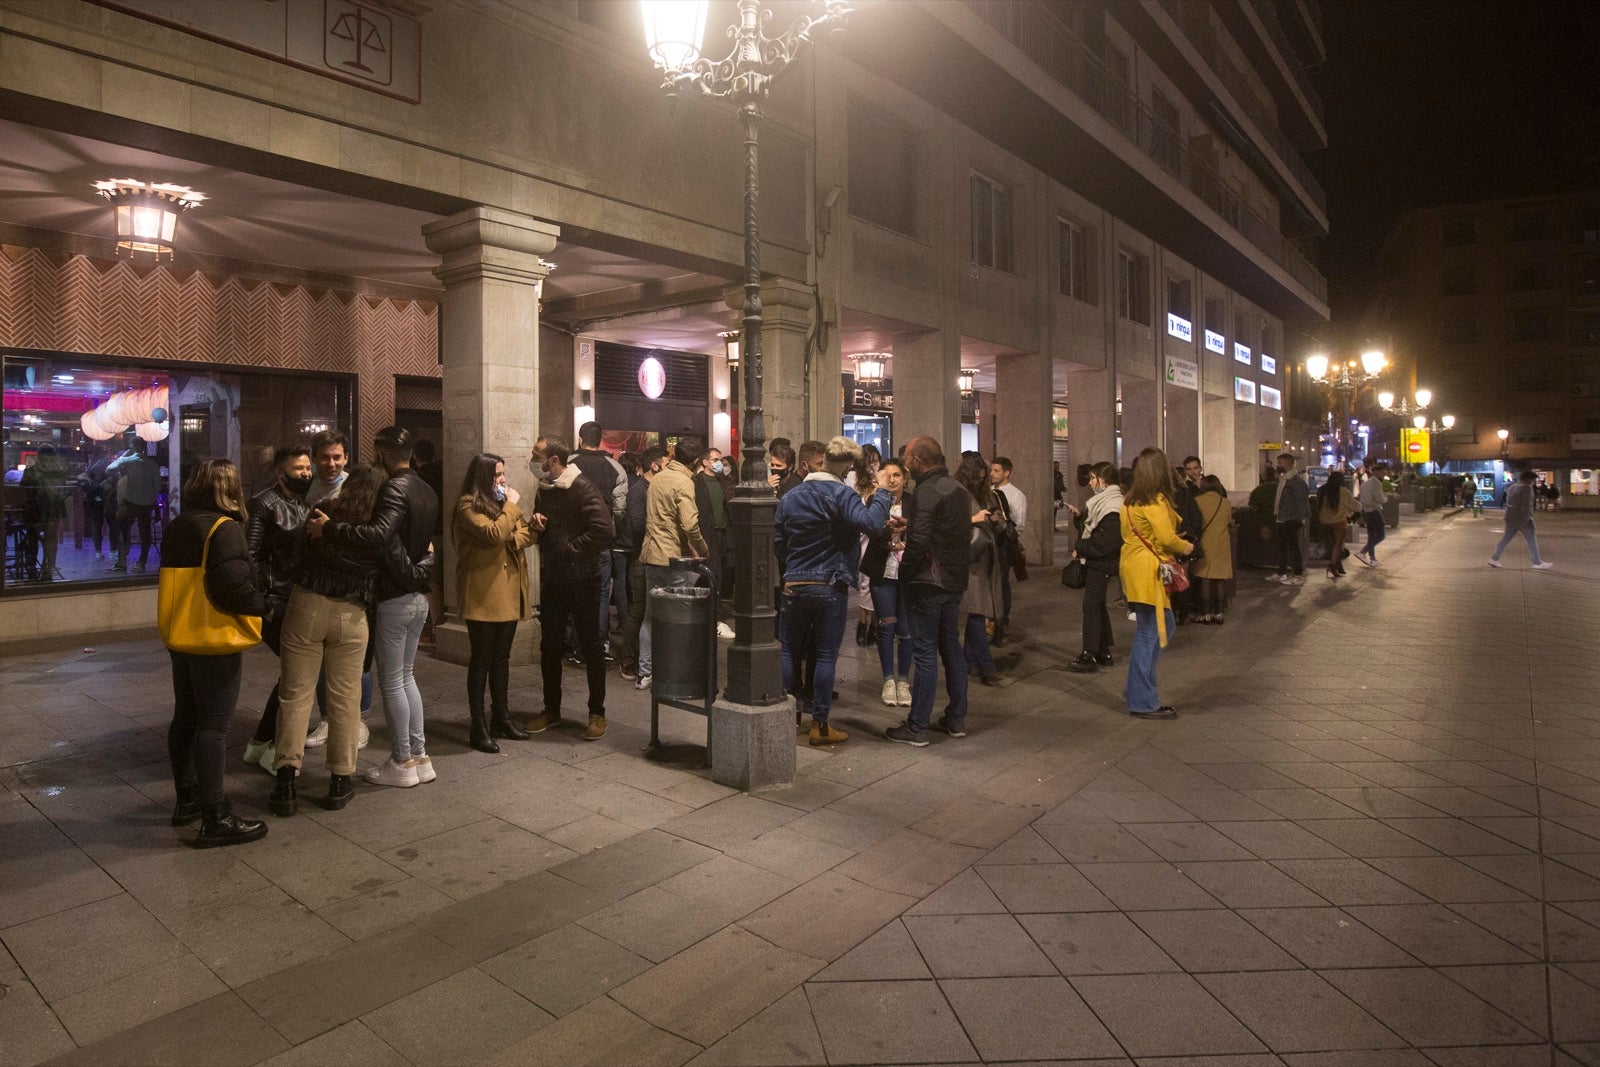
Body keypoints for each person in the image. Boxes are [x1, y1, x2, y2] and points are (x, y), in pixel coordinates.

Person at [312, 427, 440, 788]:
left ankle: (402, 761)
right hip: (417, 596)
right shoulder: (426, 488)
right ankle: (420, 757)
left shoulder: (394, 488)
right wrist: (420, 572)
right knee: (406, 676)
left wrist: (331, 528)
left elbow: (380, 537)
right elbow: (422, 544)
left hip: (396, 596)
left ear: (381, 451)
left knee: (393, 681)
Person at [159, 459, 269, 847]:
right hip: (213, 639)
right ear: (230, 489)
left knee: (185, 716)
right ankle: (216, 816)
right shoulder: (226, 529)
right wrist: (268, 606)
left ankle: (186, 799)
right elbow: (231, 589)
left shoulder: (178, 525)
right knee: (214, 726)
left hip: (180, 634)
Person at [269, 464, 386, 817]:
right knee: (346, 698)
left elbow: (296, 555)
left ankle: (286, 780)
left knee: (295, 694)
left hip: (307, 604)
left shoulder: (323, 511)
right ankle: (339, 780)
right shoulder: (376, 529)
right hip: (351, 615)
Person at [774, 436, 893, 745]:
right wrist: (882, 493)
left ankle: (786, 718)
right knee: (826, 656)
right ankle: (820, 727)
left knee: (788, 650)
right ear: (846, 467)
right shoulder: (843, 495)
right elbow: (873, 524)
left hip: (794, 583)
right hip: (829, 585)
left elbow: (778, 540)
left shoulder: (792, 496)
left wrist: (792, 567)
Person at [527, 434, 615, 740]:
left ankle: (597, 712)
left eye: (537, 455)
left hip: (583, 580)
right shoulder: (545, 489)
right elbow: (552, 526)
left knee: (590, 647)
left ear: (553, 460)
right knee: (549, 646)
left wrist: (570, 549)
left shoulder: (582, 488)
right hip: (554, 579)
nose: (533, 460)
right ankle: (551, 709)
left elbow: (604, 530)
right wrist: (538, 523)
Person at [887, 436, 971, 746]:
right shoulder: (957, 488)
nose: (905, 462)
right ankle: (956, 718)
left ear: (920, 460)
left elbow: (920, 541)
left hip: (928, 582)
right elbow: (945, 530)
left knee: (924, 653)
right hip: (953, 580)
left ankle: (917, 725)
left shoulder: (925, 490)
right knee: (951, 647)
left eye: (907, 457)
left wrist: (905, 571)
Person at [454, 453, 537, 752]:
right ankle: (478, 726)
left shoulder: (502, 505)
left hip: (508, 590)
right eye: (496, 475)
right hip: (483, 594)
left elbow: (524, 532)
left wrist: (516, 530)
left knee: (502, 658)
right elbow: (492, 534)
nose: (502, 479)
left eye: (503, 473)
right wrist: (512, 510)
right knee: (482, 659)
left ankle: (501, 717)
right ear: (482, 477)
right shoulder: (467, 505)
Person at [242, 446, 314, 774]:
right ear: (280, 472)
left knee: (293, 674)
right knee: (297, 676)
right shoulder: (263, 504)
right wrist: (265, 601)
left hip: (298, 598)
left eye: (306, 467)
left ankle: (261, 742)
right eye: (298, 468)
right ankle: (275, 749)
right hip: (277, 602)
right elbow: (252, 556)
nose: (306, 473)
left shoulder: (304, 502)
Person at [1120, 447, 1192, 720]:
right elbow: (1166, 538)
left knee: (1152, 630)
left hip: (1133, 567)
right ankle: (1142, 699)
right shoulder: (1154, 501)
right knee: (1152, 633)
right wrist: (1185, 546)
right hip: (1148, 570)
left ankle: (1140, 690)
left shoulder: (1129, 501)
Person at [637, 440, 709, 691]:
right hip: (672, 557)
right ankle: (675, 670)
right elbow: (689, 524)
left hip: (651, 553)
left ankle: (644, 673)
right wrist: (701, 547)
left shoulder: (657, 478)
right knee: (680, 616)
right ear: (696, 461)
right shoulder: (684, 482)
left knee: (649, 616)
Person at [570, 422, 627, 661]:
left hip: (573, 539)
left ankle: (578, 646)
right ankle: (600, 644)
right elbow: (620, 509)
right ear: (601, 440)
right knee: (602, 593)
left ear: (581, 439)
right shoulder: (615, 468)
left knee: (575, 591)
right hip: (601, 541)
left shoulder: (567, 464)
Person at [861, 458, 912, 706]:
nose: (892, 480)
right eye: (888, 475)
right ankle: (888, 680)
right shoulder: (876, 500)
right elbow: (870, 529)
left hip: (908, 574)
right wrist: (887, 534)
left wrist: (907, 539)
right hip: (882, 572)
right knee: (886, 625)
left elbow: (924, 531)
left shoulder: (914, 503)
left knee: (905, 630)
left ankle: (903, 681)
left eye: (897, 475)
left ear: (905, 478)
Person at [957, 455, 1009, 687]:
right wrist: (972, 518)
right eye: (978, 477)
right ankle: (986, 665)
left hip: (985, 560)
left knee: (975, 614)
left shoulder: (988, 495)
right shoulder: (959, 495)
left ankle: (971, 662)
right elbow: (949, 525)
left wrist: (995, 520)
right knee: (975, 614)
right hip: (969, 561)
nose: (982, 481)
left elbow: (1003, 524)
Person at [1066, 461, 1122, 672]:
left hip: (1101, 563)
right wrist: (1079, 518)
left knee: (1090, 606)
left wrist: (1080, 547)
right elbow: (1095, 528)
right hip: (1098, 562)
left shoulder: (1112, 504)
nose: (1090, 483)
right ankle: (1103, 651)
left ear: (1103, 479)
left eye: (1092, 478)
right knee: (1096, 605)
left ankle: (1089, 654)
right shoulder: (1104, 502)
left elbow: (1107, 540)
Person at [620, 447, 664, 679]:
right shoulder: (638, 491)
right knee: (638, 609)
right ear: (654, 466)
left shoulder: (658, 488)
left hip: (656, 557)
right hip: (641, 557)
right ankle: (628, 659)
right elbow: (637, 525)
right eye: (664, 464)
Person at [108, 442, 161, 572]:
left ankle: (122, 562)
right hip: (146, 502)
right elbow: (157, 486)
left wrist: (124, 458)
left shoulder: (129, 462)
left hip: (130, 500)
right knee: (144, 533)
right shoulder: (152, 463)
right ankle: (141, 563)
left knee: (121, 529)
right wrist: (152, 500)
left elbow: (109, 469)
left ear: (132, 447)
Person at [990, 456, 1026, 642]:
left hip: (1004, 544)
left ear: (1007, 472)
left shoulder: (1016, 495)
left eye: (996, 471)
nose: (992, 474)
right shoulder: (988, 491)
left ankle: (1003, 619)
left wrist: (1007, 532)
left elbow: (1019, 523)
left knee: (1002, 581)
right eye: (992, 470)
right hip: (989, 544)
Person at [19, 445, 67, 581]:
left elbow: (23, 491)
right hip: (45, 508)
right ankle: (46, 570)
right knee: (49, 540)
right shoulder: (57, 472)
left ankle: (35, 569)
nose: (47, 462)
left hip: (37, 509)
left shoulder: (30, 471)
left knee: (34, 539)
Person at [1490, 469, 1554, 570]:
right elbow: (1526, 505)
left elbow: (1508, 502)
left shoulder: (1512, 487)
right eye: (1533, 479)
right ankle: (1536, 562)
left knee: (1505, 539)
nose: (1533, 482)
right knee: (1531, 540)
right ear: (1529, 479)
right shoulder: (1527, 488)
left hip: (1511, 517)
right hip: (1522, 519)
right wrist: (1527, 518)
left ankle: (1494, 559)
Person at [1191, 474, 1235, 620]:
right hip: (1222, 545)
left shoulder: (1197, 501)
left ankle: (1206, 613)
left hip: (1205, 544)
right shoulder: (1226, 503)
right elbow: (1229, 521)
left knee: (1205, 579)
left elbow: (1196, 522)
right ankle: (1220, 613)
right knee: (1220, 580)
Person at [1268, 452, 1309, 585]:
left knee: (1293, 546)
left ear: (1288, 464)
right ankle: (1282, 572)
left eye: (1280, 463)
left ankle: (1297, 573)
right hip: (1282, 517)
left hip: (1291, 518)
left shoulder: (1295, 481)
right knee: (1283, 546)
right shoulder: (1284, 478)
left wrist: (1300, 518)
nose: (1277, 465)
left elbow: (1301, 501)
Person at [77, 443, 119, 562]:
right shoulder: (108, 463)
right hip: (108, 497)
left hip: (93, 497)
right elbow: (115, 479)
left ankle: (98, 552)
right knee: (112, 525)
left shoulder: (91, 465)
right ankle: (113, 551)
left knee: (96, 525)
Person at [1315, 471, 1359, 581]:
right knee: (1338, 545)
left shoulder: (1322, 490)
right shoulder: (1343, 491)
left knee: (1332, 544)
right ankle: (1333, 566)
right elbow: (1355, 506)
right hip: (1338, 522)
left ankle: (1338, 566)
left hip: (1323, 522)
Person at [1355, 458, 1388, 567]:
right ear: (1377, 473)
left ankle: (1372, 558)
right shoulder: (1377, 483)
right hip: (1375, 511)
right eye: (1383, 472)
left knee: (1371, 535)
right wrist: (1386, 498)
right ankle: (1363, 552)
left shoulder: (1365, 483)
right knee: (1381, 535)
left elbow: (1361, 497)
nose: (1385, 474)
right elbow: (1379, 499)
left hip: (1366, 511)